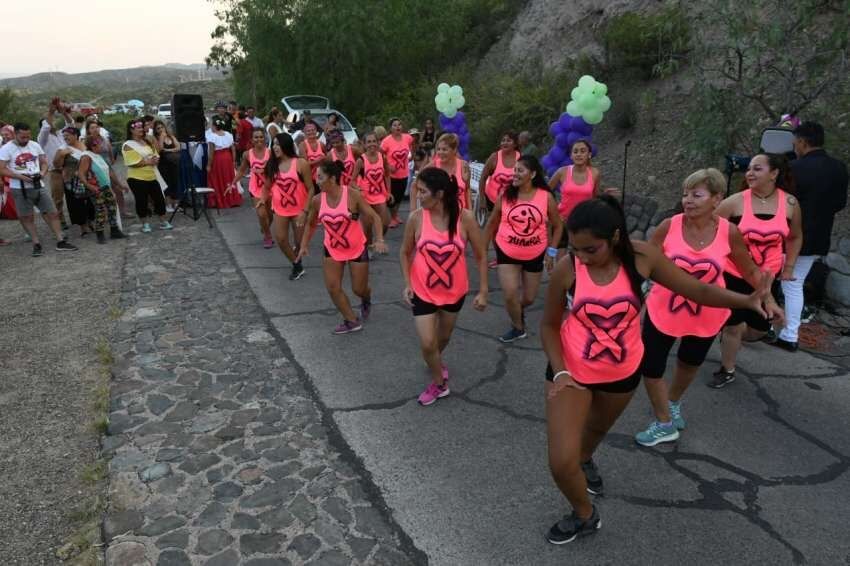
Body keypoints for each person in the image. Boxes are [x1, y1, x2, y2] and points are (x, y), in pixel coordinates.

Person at [541, 195, 773, 545]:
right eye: (574, 248)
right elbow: (548, 325)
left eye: (590, 249)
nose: (581, 257)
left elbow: (694, 288)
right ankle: (585, 514)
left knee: (590, 439)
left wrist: (746, 301)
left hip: (622, 372)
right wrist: (559, 372)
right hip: (571, 372)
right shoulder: (569, 269)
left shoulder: (642, 259)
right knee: (561, 461)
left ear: (615, 237)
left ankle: (587, 460)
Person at [634, 169, 783, 446]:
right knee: (651, 367)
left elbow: (750, 271)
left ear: (716, 199)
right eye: (685, 194)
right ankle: (664, 422)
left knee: (689, 363)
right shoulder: (670, 225)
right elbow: (646, 259)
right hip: (662, 308)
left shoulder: (730, 233)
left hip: (707, 312)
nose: (688, 200)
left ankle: (673, 403)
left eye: (696, 195)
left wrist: (769, 299)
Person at [712, 153, 802, 387]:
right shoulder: (735, 202)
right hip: (735, 274)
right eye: (749, 168)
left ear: (774, 174)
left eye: (757, 169)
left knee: (758, 330)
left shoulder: (790, 203)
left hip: (766, 278)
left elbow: (794, 237)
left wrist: (789, 266)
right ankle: (727, 368)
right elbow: (710, 228)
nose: (750, 173)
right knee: (734, 326)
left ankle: (725, 328)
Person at [400, 167, 488, 406]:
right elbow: (405, 252)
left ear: (439, 194)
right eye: (417, 190)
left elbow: (481, 255)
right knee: (427, 343)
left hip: (454, 292)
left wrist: (483, 291)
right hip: (423, 291)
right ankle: (439, 384)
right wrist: (407, 283)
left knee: (442, 339)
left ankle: (435, 360)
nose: (418, 196)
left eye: (423, 192)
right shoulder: (417, 217)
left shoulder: (465, 218)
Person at [770, 122, 848, 351]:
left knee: (772, 281)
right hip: (818, 238)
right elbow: (839, 203)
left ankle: (770, 328)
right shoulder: (839, 168)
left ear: (802, 142)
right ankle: (788, 334)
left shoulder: (793, 168)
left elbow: (779, 203)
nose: (794, 146)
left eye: (795, 142)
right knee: (794, 285)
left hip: (786, 238)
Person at [297, 160, 388, 334]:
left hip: (356, 248)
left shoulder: (352, 195)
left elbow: (374, 217)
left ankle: (366, 297)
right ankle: (351, 320)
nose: (317, 181)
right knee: (332, 287)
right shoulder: (317, 200)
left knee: (358, 289)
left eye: (320, 177)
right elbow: (310, 224)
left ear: (332, 178)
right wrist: (304, 245)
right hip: (332, 248)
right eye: (316, 177)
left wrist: (380, 240)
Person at [484, 155, 562, 342]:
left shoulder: (546, 197)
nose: (515, 174)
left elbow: (558, 225)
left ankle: (518, 311)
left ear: (533, 174)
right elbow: (492, 223)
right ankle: (518, 328)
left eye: (520, 170)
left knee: (529, 298)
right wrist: (482, 249)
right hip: (506, 250)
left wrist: (551, 252)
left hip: (535, 253)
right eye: (514, 170)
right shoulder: (505, 195)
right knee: (510, 293)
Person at [0, 122, 78, 255]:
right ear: (16, 134)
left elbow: (44, 162)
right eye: (23, 137)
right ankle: (36, 243)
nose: (26, 139)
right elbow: (2, 169)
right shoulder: (6, 149)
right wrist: (20, 177)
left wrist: (42, 173)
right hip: (20, 188)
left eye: (28, 136)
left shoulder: (34, 145)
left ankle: (60, 240)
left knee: (52, 212)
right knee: (27, 217)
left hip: (38, 185)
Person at [262, 132, 316, 281]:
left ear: (286, 144)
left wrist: (305, 211)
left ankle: (297, 258)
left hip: (299, 209)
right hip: (281, 209)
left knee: (299, 242)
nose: (275, 147)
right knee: (280, 239)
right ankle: (296, 264)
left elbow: (311, 188)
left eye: (278, 144)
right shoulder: (272, 165)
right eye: (273, 144)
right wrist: (262, 199)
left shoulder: (300, 163)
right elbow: (267, 186)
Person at [548, 140, 602, 258]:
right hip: (562, 220)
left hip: (583, 222)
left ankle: (577, 275)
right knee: (558, 257)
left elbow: (596, 197)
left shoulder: (595, 173)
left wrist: (605, 196)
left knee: (580, 257)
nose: (578, 154)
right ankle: (555, 271)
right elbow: (545, 192)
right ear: (571, 155)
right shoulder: (562, 171)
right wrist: (552, 210)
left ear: (589, 154)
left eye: (583, 151)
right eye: (575, 151)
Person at [122, 119, 172, 233]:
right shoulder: (127, 145)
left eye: (141, 127)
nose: (141, 129)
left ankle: (163, 221)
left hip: (152, 175)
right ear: (131, 130)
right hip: (136, 178)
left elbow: (155, 154)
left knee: (159, 199)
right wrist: (149, 162)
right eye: (138, 128)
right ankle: (145, 224)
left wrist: (155, 160)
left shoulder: (147, 141)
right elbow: (132, 162)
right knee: (141, 201)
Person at [78, 136, 125, 243]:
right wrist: (89, 186)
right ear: (93, 146)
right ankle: (100, 233)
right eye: (100, 144)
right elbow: (81, 174)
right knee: (101, 211)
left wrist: (119, 185)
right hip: (96, 188)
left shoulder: (98, 156)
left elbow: (109, 172)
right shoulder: (86, 157)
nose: (102, 147)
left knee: (112, 207)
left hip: (106, 187)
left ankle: (114, 231)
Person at [231, 128, 273, 248]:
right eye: (256, 137)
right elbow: (242, 171)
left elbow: (277, 170)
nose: (259, 139)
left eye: (261, 137)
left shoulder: (270, 153)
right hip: (255, 189)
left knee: (270, 215)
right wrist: (233, 183)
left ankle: (265, 227)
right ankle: (268, 236)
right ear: (251, 140)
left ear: (264, 138)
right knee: (261, 214)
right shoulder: (247, 154)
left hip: (270, 187)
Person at [85, 120, 132, 219]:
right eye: (92, 128)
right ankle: (106, 214)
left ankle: (122, 211)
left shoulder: (104, 139)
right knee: (102, 192)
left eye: (96, 127)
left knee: (117, 189)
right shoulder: (87, 141)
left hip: (108, 167)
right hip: (96, 170)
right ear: (88, 130)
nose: (95, 129)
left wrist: (111, 160)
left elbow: (111, 152)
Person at [351, 131, 392, 246]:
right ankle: (368, 247)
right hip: (365, 196)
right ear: (364, 144)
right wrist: (358, 189)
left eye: (374, 141)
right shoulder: (361, 160)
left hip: (379, 194)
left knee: (385, 223)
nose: (372, 144)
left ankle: (377, 239)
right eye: (369, 142)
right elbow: (352, 180)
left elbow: (387, 175)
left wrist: (389, 192)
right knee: (367, 226)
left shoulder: (382, 157)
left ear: (378, 142)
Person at [38, 104, 73, 227]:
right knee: (57, 198)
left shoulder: (61, 133)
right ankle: (60, 220)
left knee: (74, 195)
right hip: (56, 172)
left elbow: (71, 124)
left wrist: (64, 112)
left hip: (69, 170)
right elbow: (46, 128)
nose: (52, 123)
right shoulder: (42, 138)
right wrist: (51, 112)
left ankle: (77, 218)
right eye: (49, 122)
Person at [55, 127, 94, 237]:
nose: (66, 137)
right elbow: (56, 165)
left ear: (76, 135)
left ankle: (91, 221)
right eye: (64, 136)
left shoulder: (85, 145)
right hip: (71, 180)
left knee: (90, 201)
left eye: (68, 135)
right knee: (76, 204)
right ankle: (83, 227)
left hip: (88, 178)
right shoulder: (62, 149)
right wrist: (62, 155)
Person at [380, 119, 414, 229]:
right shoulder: (386, 141)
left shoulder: (407, 138)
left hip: (404, 173)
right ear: (390, 128)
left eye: (399, 124)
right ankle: (392, 218)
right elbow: (380, 155)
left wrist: (411, 156)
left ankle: (395, 215)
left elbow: (412, 147)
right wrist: (388, 166)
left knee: (399, 197)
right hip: (391, 175)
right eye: (395, 125)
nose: (398, 127)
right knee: (391, 197)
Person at [479, 131, 520, 213]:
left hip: (513, 202)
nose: (505, 143)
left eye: (508, 140)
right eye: (503, 140)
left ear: (515, 144)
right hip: (492, 201)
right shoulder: (494, 157)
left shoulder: (521, 158)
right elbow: (483, 178)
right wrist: (482, 199)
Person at [427, 133, 471, 210]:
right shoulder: (433, 166)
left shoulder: (464, 165)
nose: (440, 152)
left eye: (444, 149)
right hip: (439, 215)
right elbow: (416, 185)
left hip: (460, 213)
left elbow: (467, 190)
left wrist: (470, 211)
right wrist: (414, 210)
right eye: (438, 149)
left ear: (454, 150)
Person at [205, 116, 241, 209]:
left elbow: (211, 152)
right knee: (229, 177)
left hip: (218, 159)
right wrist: (233, 161)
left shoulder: (212, 136)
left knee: (218, 177)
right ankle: (232, 199)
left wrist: (209, 165)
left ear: (214, 126)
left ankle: (221, 199)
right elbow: (233, 149)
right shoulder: (228, 134)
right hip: (227, 158)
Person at [154, 120, 182, 210]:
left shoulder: (171, 136)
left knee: (175, 182)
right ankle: (168, 204)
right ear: (155, 130)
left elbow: (178, 147)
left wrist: (169, 150)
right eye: (158, 128)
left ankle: (176, 204)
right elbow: (161, 149)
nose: (161, 129)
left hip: (174, 163)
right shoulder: (156, 138)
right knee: (167, 183)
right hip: (163, 164)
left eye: (162, 127)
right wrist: (162, 138)